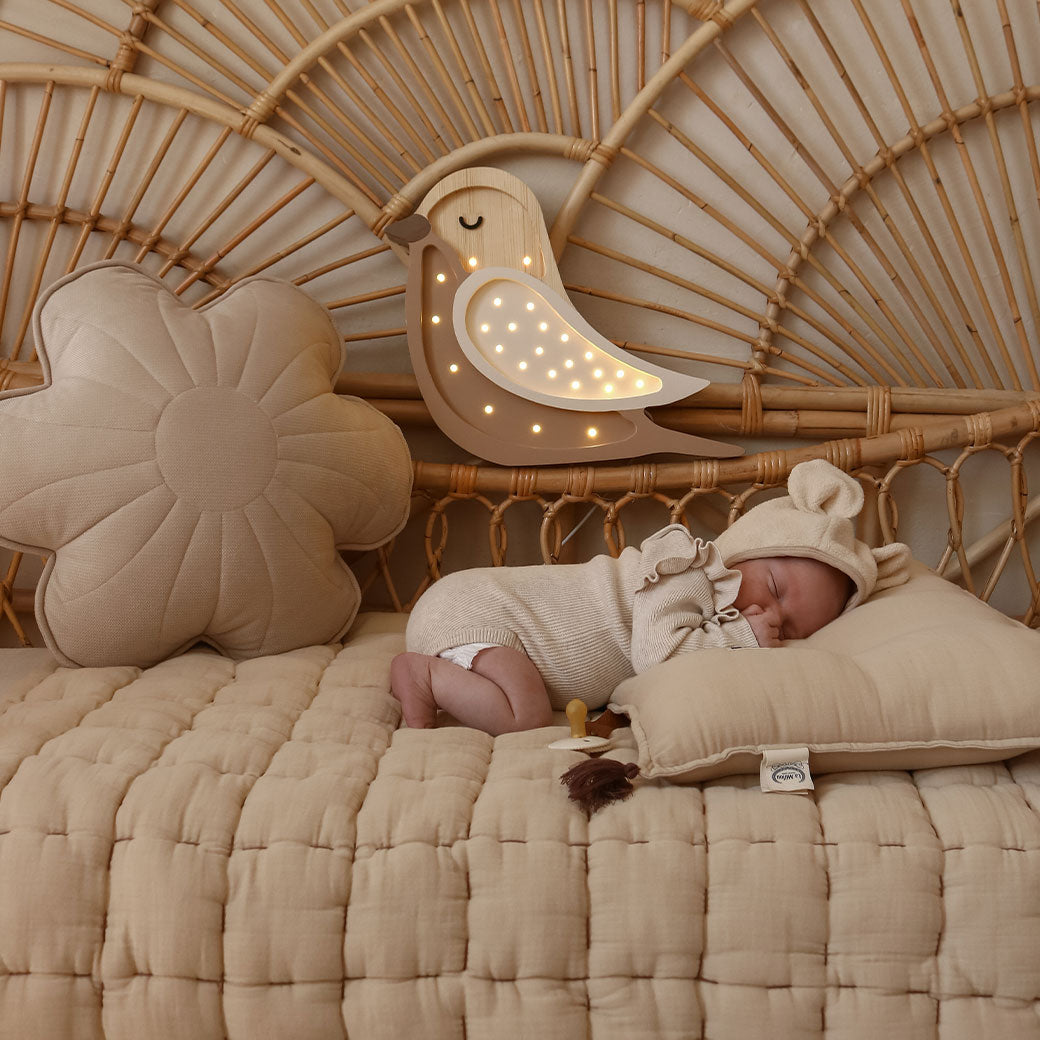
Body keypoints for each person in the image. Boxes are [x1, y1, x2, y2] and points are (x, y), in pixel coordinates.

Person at [391, 460, 910, 735]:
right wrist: (742, 637)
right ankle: (424, 676)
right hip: (483, 611)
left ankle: (435, 678)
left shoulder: (715, 614)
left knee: (525, 706)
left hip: (485, 618)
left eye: (791, 627)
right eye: (773, 589)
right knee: (523, 716)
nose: (767, 615)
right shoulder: (687, 571)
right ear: (745, 550)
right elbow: (655, 656)